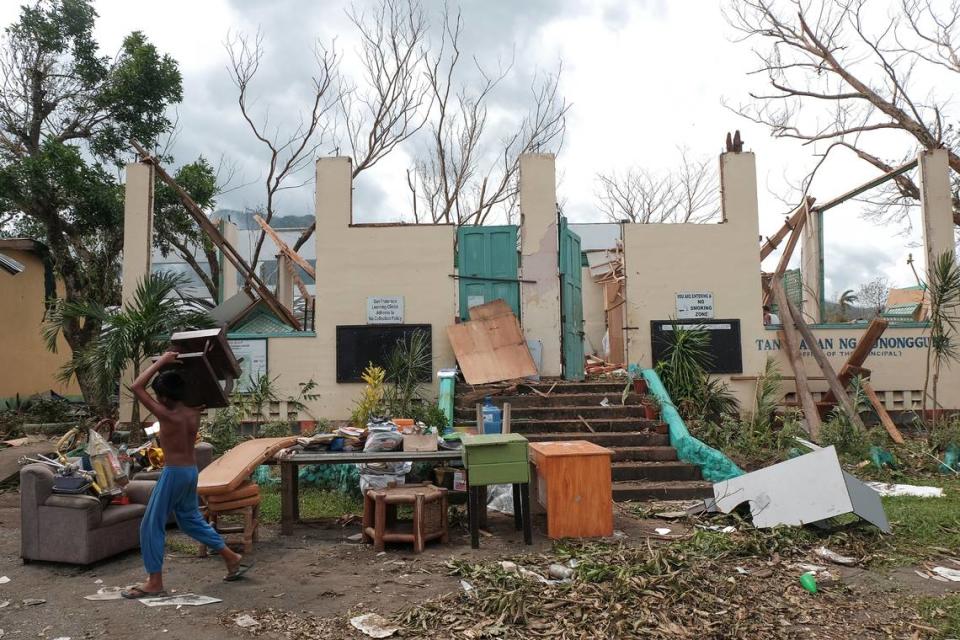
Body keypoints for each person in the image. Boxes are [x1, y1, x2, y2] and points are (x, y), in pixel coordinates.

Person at [122, 351, 252, 599]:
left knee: (150, 525)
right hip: (191, 472)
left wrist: (161, 361)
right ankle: (232, 558)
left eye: (159, 395)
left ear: (165, 397)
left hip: (174, 472)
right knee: (190, 520)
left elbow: (137, 386)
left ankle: (154, 581)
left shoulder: (166, 414)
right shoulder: (194, 411)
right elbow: (219, 391)